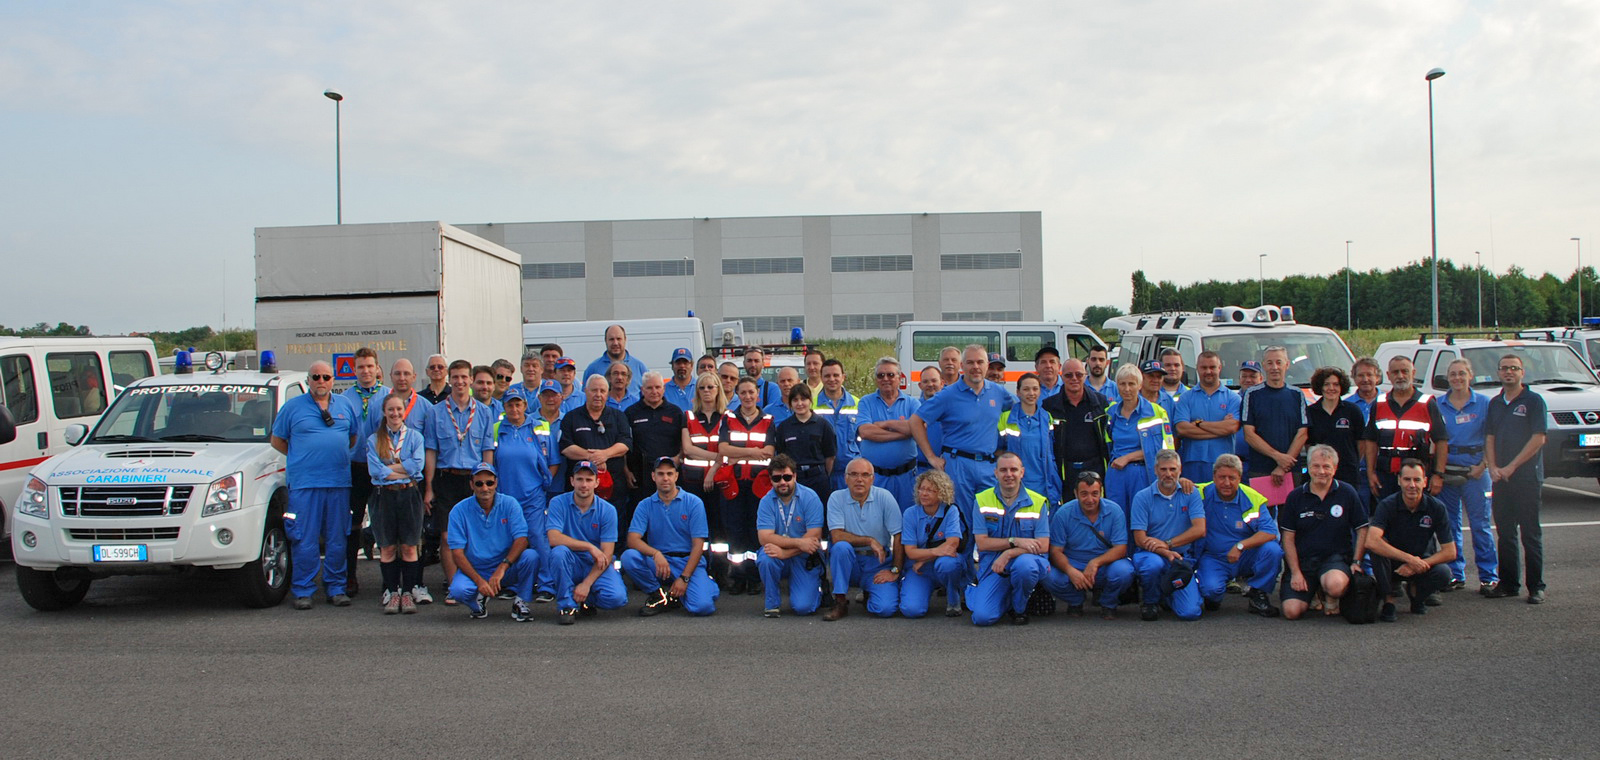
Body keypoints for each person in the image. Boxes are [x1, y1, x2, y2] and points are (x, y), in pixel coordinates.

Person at [270, 360, 359, 609]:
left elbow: (352, 438)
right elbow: (277, 441)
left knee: (337, 539)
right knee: (304, 539)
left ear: (333, 380)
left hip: (338, 483)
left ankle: (336, 588)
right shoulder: (292, 407)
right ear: (308, 380)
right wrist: (302, 458)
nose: (321, 381)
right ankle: (303, 590)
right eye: (316, 377)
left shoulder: (345, 405)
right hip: (304, 485)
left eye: (326, 377)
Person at [912, 344, 1012, 538]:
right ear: (962, 366)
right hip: (958, 465)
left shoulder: (999, 393)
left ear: (987, 365)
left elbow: (1020, 407)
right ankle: (962, 558)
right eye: (970, 362)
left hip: (988, 466)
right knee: (961, 522)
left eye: (980, 362)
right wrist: (931, 457)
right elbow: (916, 421)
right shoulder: (948, 395)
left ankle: (988, 558)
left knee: (991, 520)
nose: (975, 367)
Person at [423, 359, 495, 605]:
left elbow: (487, 450)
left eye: (464, 377)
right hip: (446, 479)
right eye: (455, 377)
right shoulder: (435, 412)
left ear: (471, 380)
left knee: (476, 535)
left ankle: (477, 583)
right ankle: (454, 586)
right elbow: (431, 451)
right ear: (449, 379)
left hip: (474, 480)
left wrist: (488, 482)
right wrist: (429, 487)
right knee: (447, 537)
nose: (460, 382)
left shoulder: (483, 412)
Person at [1484, 353, 1548, 603]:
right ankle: (1508, 584)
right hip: (1500, 478)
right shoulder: (1495, 403)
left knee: (1530, 534)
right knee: (1505, 533)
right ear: (1498, 373)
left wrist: (1511, 466)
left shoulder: (1533, 401)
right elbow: (1489, 436)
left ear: (1522, 373)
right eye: (1504, 368)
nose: (1509, 372)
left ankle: (1536, 587)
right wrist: (1493, 466)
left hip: (1527, 478)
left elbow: (1538, 438)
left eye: (1514, 368)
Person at [1279, 445, 1369, 621]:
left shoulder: (1347, 492)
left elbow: (1362, 528)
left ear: (1335, 468)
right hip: (1304, 563)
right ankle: (1313, 592)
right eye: (1316, 466)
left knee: (1335, 585)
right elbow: (1288, 538)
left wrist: (1356, 561)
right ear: (1308, 467)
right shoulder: (1295, 496)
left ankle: (1329, 594)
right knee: (1292, 612)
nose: (1321, 471)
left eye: (1327, 466)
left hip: (1334, 560)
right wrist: (1295, 572)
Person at [621, 457, 716, 617]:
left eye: (669, 474)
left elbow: (698, 545)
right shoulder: (645, 505)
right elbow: (632, 539)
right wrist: (656, 554)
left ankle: (706, 585)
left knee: (702, 607)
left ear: (676, 476)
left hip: (687, 561)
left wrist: (684, 578)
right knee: (629, 557)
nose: (665, 478)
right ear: (653, 476)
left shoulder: (694, 503)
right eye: (660, 474)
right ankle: (659, 596)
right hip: (660, 562)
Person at [446, 463, 538, 621]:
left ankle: (521, 601)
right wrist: (479, 581)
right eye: (479, 484)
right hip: (476, 567)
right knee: (458, 590)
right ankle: (477, 603)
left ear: (496, 483)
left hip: (506, 567)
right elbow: (457, 553)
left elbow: (522, 539)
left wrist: (502, 568)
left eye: (489, 483)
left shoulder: (510, 504)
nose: (485, 488)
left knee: (531, 556)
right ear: (471, 485)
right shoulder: (458, 511)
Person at [1366, 459, 1457, 621]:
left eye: (1417, 480)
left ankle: (1417, 597)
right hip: (1393, 563)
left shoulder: (1436, 507)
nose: (1412, 485)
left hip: (1422, 563)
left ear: (1425, 482)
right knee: (1377, 552)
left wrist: (1419, 564)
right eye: (1407, 479)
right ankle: (1389, 601)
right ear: (1399, 480)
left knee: (1444, 573)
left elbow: (1450, 552)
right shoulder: (1387, 505)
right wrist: (1409, 559)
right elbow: (1371, 541)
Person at [1436, 358, 1498, 593]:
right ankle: (1455, 573)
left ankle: (1488, 576)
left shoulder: (1484, 403)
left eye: (1462, 373)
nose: (1457, 378)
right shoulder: (1438, 404)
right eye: (1453, 374)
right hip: (1448, 470)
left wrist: (1483, 465)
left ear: (1470, 376)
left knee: (1480, 525)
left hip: (1476, 471)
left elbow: (1492, 437)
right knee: (1450, 525)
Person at [966, 452, 1050, 626]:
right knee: (982, 618)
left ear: (1022, 472)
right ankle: (1005, 597)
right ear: (995, 473)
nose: (1009, 474)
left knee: (1025, 566)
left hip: (1027, 561)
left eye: (1014, 470)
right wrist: (1015, 541)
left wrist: (1009, 553)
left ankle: (1019, 608)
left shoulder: (1038, 501)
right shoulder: (982, 500)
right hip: (994, 566)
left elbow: (1043, 545)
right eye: (1003, 470)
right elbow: (982, 543)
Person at [1195, 454, 1282, 617]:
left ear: (1240, 478)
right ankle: (1214, 595)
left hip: (1245, 555)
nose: (1227, 483)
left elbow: (1270, 531)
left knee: (1273, 550)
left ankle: (1257, 592)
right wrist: (1183, 482)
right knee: (1211, 591)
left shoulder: (1252, 498)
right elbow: (1174, 487)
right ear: (1213, 476)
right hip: (1214, 557)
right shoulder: (1200, 492)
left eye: (1232, 478)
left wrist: (1240, 546)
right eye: (1222, 477)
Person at [1043, 471, 1135, 619]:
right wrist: (1070, 571)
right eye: (1084, 494)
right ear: (1075, 493)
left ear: (1101, 493)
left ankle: (1108, 603)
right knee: (1047, 575)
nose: (1090, 499)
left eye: (1095, 493)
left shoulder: (1115, 511)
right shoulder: (1063, 513)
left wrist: (1095, 562)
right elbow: (1055, 551)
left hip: (1104, 564)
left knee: (1124, 571)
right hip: (1074, 563)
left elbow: (1121, 548)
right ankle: (1075, 600)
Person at [546, 461, 629, 624]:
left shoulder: (608, 510)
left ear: (596, 482)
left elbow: (607, 553)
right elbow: (553, 538)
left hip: (596, 563)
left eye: (589, 480)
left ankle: (585, 599)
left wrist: (586, 584)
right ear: (572, 481)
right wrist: (589, 546)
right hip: (570, 561)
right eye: (580, 479)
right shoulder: (557, 502)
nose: (584, 485)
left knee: (617, 598)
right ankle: (567, 606)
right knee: (558, 553)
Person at [367, 393, 426, 614]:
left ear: (404, 411)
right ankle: (393, 593)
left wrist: (388, 469)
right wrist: (403, 468)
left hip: (409, 494)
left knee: (409, 546)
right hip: (384, 496)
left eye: (399, 409)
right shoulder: (374, 440)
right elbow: (374, 471)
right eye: (390, 409)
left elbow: (417, 466)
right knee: (388, 547)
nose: (395, 413)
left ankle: (408, 593)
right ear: (384, 412)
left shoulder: (415, 437)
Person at [1130, 451, 1205, 621]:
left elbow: (1200, 529)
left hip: (1181, 559)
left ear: (1180, 470)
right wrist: (1165, 551)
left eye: (1173, 469)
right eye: (1163, 469)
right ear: (1155, 470)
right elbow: (1140, 539)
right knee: (1152, 566)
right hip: (1151, 554)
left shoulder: (1191, 493)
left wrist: (1168, 544)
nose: (1168, 474)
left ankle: (1167, 595)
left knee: (1190, 613)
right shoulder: (1142, 497)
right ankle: (1150, 601)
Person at [822, 459, 901, 620]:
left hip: (878, 562)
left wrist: (895, 570)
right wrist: (870, 540)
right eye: (854, 474)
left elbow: (899, 535)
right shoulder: (836, 498)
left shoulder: (885, 497)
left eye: (865, 475)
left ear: (873, 479)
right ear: (846, 478)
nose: (859, 479)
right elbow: (836, 536)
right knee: (840, 547)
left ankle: (869, 594)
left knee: (885, 609)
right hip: (850, 562)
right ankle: (840, 601)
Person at [493, 394, 553, 601]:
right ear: (504, 407)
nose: (514, 409)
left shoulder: (539, 427)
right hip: (505, 496)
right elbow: (491, 463)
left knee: (537, 536)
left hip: (533, 494)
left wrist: (545, 484)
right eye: (510, 405)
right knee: (511, 540)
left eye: (518, 404)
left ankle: (546, 584)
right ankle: (514, 583)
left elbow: (552, 460)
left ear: (525, 405)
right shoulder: (497, 429)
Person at [1363, 355, 1448, 500]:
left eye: (1405, 371)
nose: (1400, 376)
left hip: (1417, 477)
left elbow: (1441, 441)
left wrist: (1438, 475)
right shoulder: (1379, 403)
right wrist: (1370, 473)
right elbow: (1371, 441)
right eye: (1395, 372)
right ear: (1388, 375)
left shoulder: (1427, 403)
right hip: (1386, 476)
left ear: (1413, 373)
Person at [719, 377, 775, 595]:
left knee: (755, 530)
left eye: (751, 392)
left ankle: (754, 577)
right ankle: (738, 576)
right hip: (734, 483)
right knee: (735, 530)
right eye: (743, 392)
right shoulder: (729, 418)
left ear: (757, 394)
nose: (748, 396)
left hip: (759, 485)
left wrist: (739, 453)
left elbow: (769, 452)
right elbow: (724, 449)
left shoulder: (768, 420)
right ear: (738, 394)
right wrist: (753, 451)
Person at [341, 347, 388, 596]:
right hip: (356, 468)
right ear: (354, 369)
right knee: (352, 524)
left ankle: (389, 581)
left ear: (377, 368)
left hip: (382, 469)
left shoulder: (388, 396)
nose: (366, 371)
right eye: (361, 367)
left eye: (370, 366)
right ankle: (349, 577)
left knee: (385, 523)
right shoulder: (344, 399)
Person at [755, 455, 826, 617]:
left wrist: (785, 553)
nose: (782, 482)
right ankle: (772, 603)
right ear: (771, 479)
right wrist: (799, 543)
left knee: (803, 608)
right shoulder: (766, 501)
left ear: (794, 476)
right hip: (780, 552)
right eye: (777, 478)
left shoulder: (810, 497)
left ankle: (815, 588)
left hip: (804, 556)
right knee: (766, 557)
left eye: (787, 477)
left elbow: (814, 537)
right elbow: (764, 537)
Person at [896, 469, 965, 618]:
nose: (924, 494)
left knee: (949, 563)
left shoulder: (951, 511)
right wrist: (934, 552)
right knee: (911, 610)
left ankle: (953, 598)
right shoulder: (910, 513)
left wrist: (924, 559)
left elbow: (952, 544)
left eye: (930, 490)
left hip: (938, 563)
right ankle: (909, 586)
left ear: (942, 493)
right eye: (922, 489)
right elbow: (911, 552)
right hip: (919, 569)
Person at [1105, 364, 1174, 512]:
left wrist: (1128, 458)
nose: (1127, 389)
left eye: (1131, 384)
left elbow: (1165, 450)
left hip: (1143, 473)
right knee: (1116, 516)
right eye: (1122, 384)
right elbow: (1107, 445)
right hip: (1115, 474)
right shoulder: (1110, 413)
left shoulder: (1157, 412)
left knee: (1141, 517)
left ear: (1140, 385)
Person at [559, 375, 632, 512]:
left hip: (614, 489)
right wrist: (590, 456)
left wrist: (605, 454)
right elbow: (566, 447)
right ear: (585, 391)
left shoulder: (618, 416)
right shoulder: (571, 417)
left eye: (602, 391)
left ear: (608, 393)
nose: (598, 395)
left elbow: (626, 443)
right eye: (594, 390)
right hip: (579, 489)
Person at [681, 371, 728, 585]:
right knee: (697, 527)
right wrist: (716, 456)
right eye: (702, 387)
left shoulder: (728, 417)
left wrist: (715, 464)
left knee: (719, 527)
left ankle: (720, 571)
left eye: (711, 387)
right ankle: (699, 568)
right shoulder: (689, 417)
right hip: (693, 482)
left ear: (718, 389)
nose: (707, 391)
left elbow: (729, 449)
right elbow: (688, 449)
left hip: (720, 480)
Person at [1243, 346, 1309, 497]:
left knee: (1290, 510)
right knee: (1261, 510)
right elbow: (1249, 434)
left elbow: (1303, 433)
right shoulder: (1252, 394)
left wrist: (1283, 466)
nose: (1274, 367)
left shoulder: (1297, 394)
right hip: (1260, 469)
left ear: (1287, 364)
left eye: (1279, 362)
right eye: (1270, 363)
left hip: (1291, 469)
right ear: (1264, 365)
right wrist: (1278, 457)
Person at [856, 356, 919, 511]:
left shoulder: (912, 403)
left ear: (899, 378)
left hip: (907, 478)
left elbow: (917, 428)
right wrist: (904, 433)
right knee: (875, 519)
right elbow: (865, 432)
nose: (885, 379)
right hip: (876, 477)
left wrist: (886, 424)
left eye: (890, 375)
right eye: (880, 375)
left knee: (907, 518)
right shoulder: (866, 402)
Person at [1172, 351, 1240, 486]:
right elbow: (1182, 429)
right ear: (1197, 368)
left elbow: (1232, 427)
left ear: (1219, 368)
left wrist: (1198, 423)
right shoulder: (1185, 398)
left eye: (1212, 367)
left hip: (1224, 465)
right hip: (1193, 463)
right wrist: (1221, 428)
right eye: (1204, 367)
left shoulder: (1233, 398)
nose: (1208, 371)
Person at [1043, 358, 1110, 489]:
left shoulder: (1100, 403)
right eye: (1069, 375)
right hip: (1064, 472)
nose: (1074, 378)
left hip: (1095, 470)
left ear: (1085, 375)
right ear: (1062, 376)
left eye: (1079, 374)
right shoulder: (1049, 406)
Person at [624, 372, 685, 515]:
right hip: (640, 476)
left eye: (658, 387)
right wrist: (626, 471)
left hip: (668, 475)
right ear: (642, 390)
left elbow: (684, 441)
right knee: (642, 514)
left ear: (663, 389)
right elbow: (624, 444)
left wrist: (678, 458)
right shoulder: (631, 413)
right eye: (649, 388)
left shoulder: (675, 413)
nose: (654, 391)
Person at [998, 373, 1061, 504]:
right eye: (1026, 389)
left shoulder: (1047, 418)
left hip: (1043, 482)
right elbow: (998, 450)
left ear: (1040, 391)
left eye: (1035, 389)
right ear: (1018, 392)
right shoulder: (1005, 418)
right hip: (1015, 480)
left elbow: (1051, 452)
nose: (1031, 393)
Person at [1305, 366, 1365, 490]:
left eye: (1336, 384)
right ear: (1320, 387)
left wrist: (1353, 461)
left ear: (1341, 387)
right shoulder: (1310, 412)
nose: (1331, 388)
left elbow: (1361, 443)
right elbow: (1308, 444)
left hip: (1348, 472)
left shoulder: (1352, 411)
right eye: (1326, 384)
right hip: (1320, 474)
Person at [771, 384, 835, 498]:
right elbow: (781, 455)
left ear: (810, 401)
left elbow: (830, 456)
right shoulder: (784, 427)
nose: (799, 403)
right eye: (795, 400)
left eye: (803, 399)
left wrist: (822, 473)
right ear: (790, 403)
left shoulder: (823, 425)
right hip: (794, 479)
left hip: (818, 479)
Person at [815, 359, 859, 492]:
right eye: (827, 376)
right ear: (821, 378)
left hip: (851, 473)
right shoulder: (811, 405)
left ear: (843, 377)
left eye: (836, 375)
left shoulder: (858, 404)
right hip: (823, 473)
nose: (831, 379)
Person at [1346, 357, 1384, 509]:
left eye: (1370, 375)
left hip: (1382, 469)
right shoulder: (1346, 405)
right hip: (1356, 471)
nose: (1365, 379)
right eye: (1361, 375)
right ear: (1354, 378)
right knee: (1358, 515)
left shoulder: (1388, 403)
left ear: (1378, 377)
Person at [583, 324, 649, 395]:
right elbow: (584, 397)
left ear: (625, 340)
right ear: (605, 341)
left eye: (618, 339)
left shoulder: (640, 367)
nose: (615, 343)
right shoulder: (593, 369)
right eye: (611, 339)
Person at [386, 359, 432, 432]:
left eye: (406, 374)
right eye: (397, 374)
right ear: (391, 376)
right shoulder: (377, 406)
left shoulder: (427, 408)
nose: (402, 378)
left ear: (414, 377)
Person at [915, 365, 944, 474]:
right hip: (920, 470)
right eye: (925, 381)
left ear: (942, 383)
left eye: (934, 380)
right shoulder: (914, 408)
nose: (930, 384)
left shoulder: (951, 408)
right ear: (920, 385)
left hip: (945, 469)